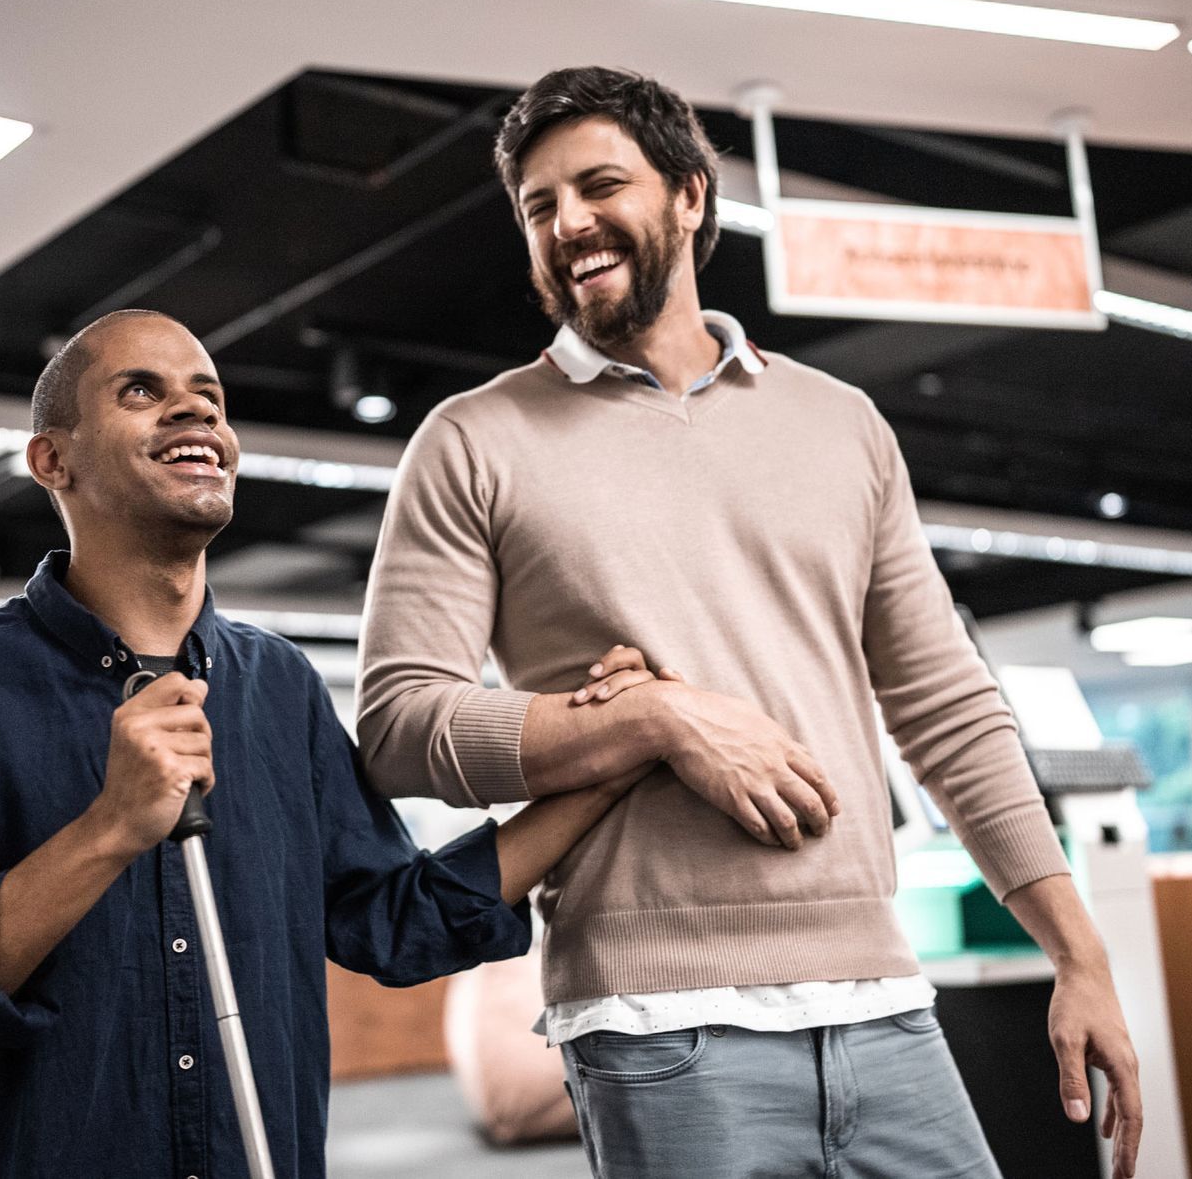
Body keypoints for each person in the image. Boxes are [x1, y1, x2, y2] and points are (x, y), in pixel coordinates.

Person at [357, 67, 1144, 1179]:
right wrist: (659, 720)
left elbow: (948, 707)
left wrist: (1079, 951)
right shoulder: (473, 440)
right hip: (653, 1025)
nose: (568, 222)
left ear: (688, 195)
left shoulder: (842, 424)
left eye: (598, 185)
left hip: (881, 997)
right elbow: (398, 723)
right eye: (538, 207)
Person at [0, 308, 640, 1179]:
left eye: (210, 397)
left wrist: (607, 761)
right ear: (53, 459)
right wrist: (111, 827)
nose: (195, 413)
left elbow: (395, 921)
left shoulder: (278, 688)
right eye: (142, 391)